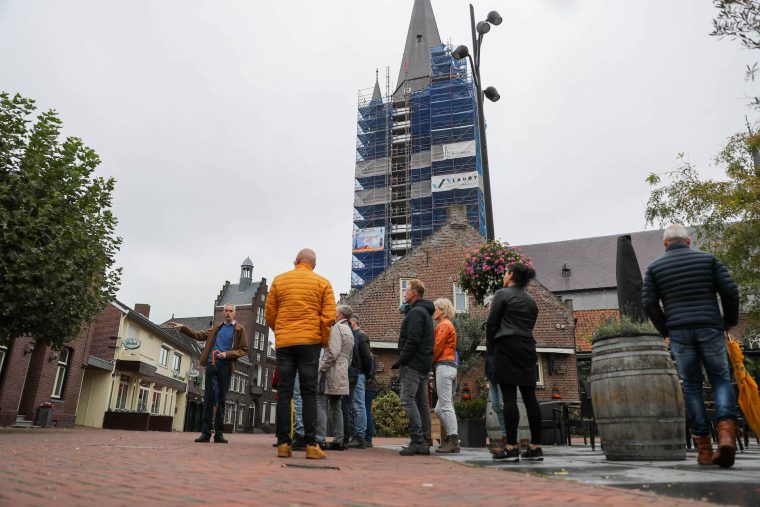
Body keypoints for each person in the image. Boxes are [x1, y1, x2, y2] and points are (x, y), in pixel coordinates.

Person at [642, 224, 740, 468]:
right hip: (709, 326)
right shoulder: (708, 260)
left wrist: (666, 329)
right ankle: (727, 434)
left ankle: (704, 448)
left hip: (679, 331)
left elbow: (649, 303)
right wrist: (728, 321)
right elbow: (730, 291)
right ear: (688, 241)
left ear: (665, 244)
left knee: (692, 385)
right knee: (720, 379)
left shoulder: (654, 268)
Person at [265, 248, 336, 459]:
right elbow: (328, 317)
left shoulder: (279, 280)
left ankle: (283, 444)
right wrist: (322, 340)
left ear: (296, 261)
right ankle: (312, 445)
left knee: (284, 393)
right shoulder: (323, 283)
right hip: (310, 343)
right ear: (314, 265)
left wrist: (280, 332)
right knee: (309, 393)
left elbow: (270, 313)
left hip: (285, 343)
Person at [486, 263, 543, 462]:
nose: (503, 276)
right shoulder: (532, 301)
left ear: (511, 275)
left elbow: (492, 323)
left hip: (506, 345)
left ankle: (511, 446)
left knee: (509, 397)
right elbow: (530, 325)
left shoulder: (502, 294)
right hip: (528, 347)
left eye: (505, 273)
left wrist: (491, 350)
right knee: (530, 397)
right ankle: (535, 447)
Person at [171, 303, 248, 444]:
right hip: (211, 364)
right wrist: (183, 327)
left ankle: (219, 434)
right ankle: (205, 434)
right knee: (208, 399)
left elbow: (243, 349)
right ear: (223, 313)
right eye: (226, 311)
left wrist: (228, 354)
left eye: (231, 311)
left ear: (234, 313)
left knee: (221, 400)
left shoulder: (239, 330)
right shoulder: (217, 328)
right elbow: (198, 335)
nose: (228, 313)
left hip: (226, 365)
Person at [393, 279, 435, 456]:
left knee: (407, 399)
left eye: (407, 290)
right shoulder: (424, 312)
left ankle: (417, 440)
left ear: (414, 293)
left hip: (413, 364)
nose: (404, 293)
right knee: (422, 403)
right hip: (423, 364)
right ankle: (424, 441)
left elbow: (413, 339)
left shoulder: (416, 313)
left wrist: (402, 359)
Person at [317, 305, 355, 450]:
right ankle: (339, 440)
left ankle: (320, 438)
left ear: (339, 315)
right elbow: (350, 357)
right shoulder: (350, 331)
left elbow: (332, 353)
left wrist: (321, 368)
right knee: (336, 406)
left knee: (321, 403)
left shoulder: (336, 329)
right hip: (342, 371)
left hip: (331, 372)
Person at [431, 298, 459, 453]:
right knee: (439, 409)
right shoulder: (446, 325)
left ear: (443, 310)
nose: (433, 311)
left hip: (444, 365)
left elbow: (437, 346)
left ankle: (454, 440)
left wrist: (427, 362)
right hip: (446, 365)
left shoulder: (444, 325)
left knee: (446, 405)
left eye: (436, 308)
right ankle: (451, 437)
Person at [348, 315, 374, 449]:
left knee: (359, 405)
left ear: (352, 323)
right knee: (357, 405)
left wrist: (368, 374)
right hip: (358, 373)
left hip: (359, 374)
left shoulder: (361, 336)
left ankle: (360, 436)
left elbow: (367, 357)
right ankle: (359, 434)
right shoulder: (359, 335)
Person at [364, 353, 378, 448]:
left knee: (366, 411)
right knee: (367, 411)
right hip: (371, 387)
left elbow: (369, 373)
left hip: (368, 387)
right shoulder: (372, 356)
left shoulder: (369, 356)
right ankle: (368, 438)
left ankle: (368, 438)